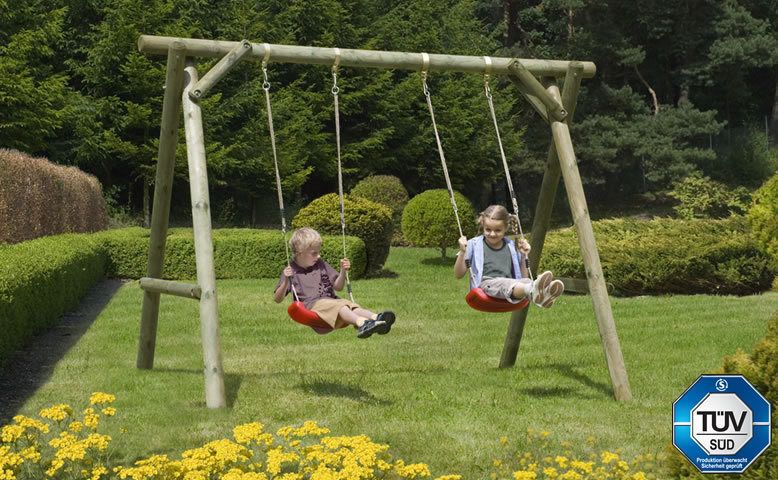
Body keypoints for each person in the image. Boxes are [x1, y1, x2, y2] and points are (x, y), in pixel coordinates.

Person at [274, 227, 395, 338]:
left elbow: (338, 287)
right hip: (312, 306)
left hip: (332, 302)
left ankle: (377, 319)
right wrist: (285, 280)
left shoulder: (320, 264)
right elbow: (277, 299)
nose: (318, 255)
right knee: (341, 306)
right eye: (314, 253)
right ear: (300, 252)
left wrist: (343, 271)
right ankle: (362, 323)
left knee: (349, 305)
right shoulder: (291, 271)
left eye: (318, 252)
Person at [454, 205, 564, 308]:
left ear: (506, 228)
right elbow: (458, 275)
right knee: (505, 283)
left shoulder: (511, 247)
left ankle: (545, 293)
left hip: (510, 285)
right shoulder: (473, 245)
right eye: (488, 229)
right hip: (487, 285)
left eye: (497, 230)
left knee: (525, 281)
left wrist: (523, 256)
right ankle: (534, 290)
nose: (492, 234)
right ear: (483, 225)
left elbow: (522, 277)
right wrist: (463, 252)